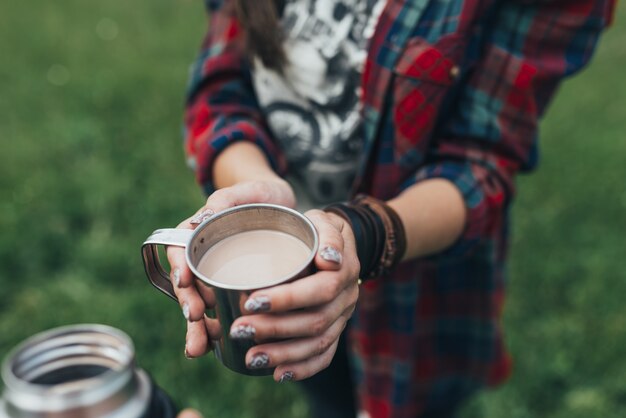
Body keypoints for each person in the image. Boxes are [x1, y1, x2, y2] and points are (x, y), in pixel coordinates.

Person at [166, 1, 615, 417]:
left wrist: (359, 234)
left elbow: (480, 161)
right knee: (328, 394)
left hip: (418, 288)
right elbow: (222, 85)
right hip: (281, 270)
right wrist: (257, 201)